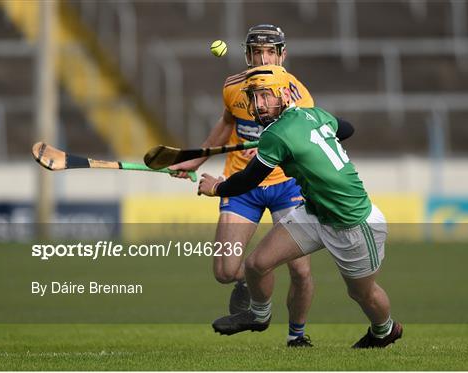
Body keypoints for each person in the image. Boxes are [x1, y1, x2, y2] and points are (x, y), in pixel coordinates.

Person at [197, 65, 403, 349]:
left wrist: (216, 188)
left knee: (362, 294)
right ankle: (259, 316)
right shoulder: (314, 115)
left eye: (265, 96)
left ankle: (385, 331)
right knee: (257, 264)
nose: (259, 104)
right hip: (315, 213)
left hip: (352, 222)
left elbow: (248, 179)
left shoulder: (277, 135)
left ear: (283, 94)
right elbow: (346, 128)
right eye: (255, 97)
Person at [171, 24, 346, 347]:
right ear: (247, 54)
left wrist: (272, 148)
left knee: (301, 271)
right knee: (225, 271)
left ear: (282, 54)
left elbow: (306, 144)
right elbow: (227, 123)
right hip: (243, 186)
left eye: (270, 51)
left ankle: (296, 335)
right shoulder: (234, 88)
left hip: (286, 186)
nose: (262, 57)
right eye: (256, 51)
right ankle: (252, 283)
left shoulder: (299, 94)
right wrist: (196, 159)